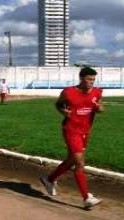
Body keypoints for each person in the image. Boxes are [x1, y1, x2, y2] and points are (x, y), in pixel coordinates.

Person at [40, 67, 104, 209]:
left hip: (86, 132)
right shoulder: (68, 92)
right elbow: (58, 104)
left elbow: (100, 107)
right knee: (79, 163)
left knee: (71, 160)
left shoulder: (97, 92)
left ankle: (49, 179)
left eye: (93, 79)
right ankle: (86, 197)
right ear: (81, 78)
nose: (91, 82)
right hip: (71, 130)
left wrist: (99, 109)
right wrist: (63, 111)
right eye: (88, 79)